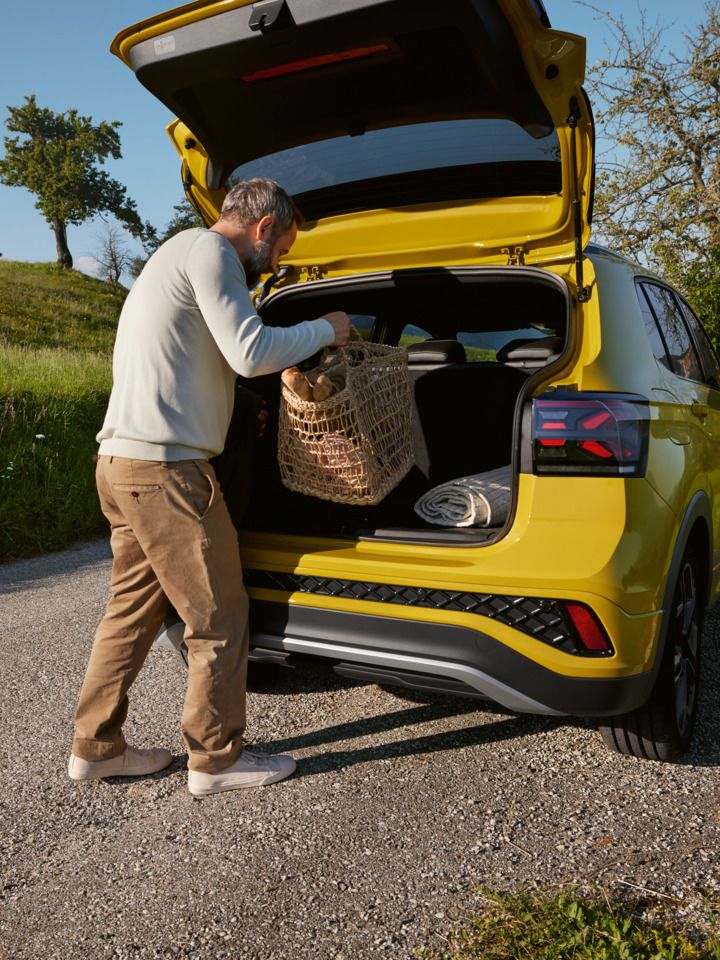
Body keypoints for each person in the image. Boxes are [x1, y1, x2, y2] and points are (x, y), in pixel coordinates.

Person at [68, 178, 350, 797]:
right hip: (165, 473)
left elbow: (200, 359)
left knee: (132, 611)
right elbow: (250, 351)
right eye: (280, 250)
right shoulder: (212, 253)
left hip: (120, 462)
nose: (276, 263)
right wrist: (327, 328)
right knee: (219, 615)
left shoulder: (174, 254)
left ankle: (96, 748)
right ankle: (216, 760)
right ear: (263, 228)